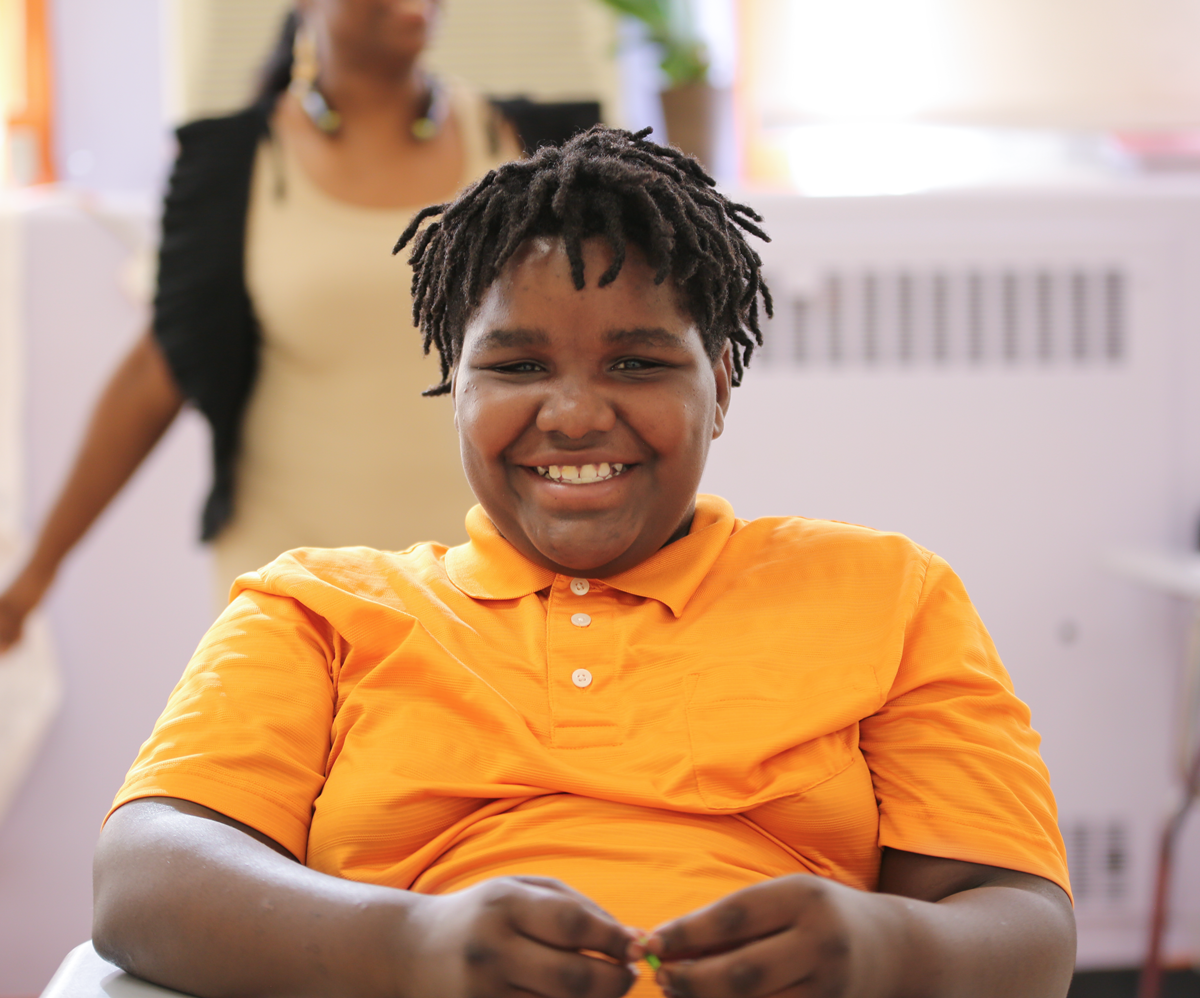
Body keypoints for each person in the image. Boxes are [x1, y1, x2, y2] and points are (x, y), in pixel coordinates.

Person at [92, 127, 1075, 998]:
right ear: (455, 386)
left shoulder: (888, 593)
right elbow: (142, 880)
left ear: (720, 386)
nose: (571, 415)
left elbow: (1024, 930)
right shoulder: (315, 608)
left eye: (637, 363)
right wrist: (407, 948)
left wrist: (887, 953)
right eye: (517, 366)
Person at [0, 0, 522, 650]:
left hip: (496, 599)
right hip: (300, 607)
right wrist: (34, 577)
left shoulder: (522, 146)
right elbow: (156, 373)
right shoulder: (234, 168)